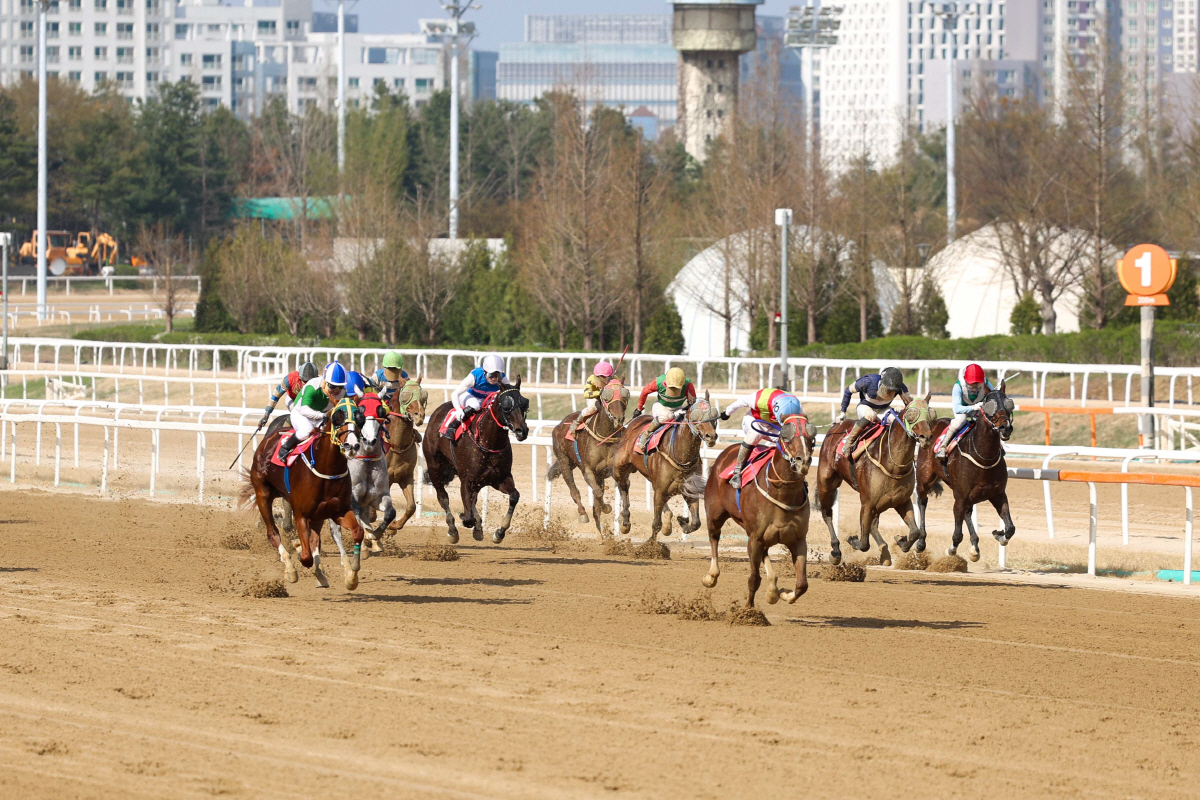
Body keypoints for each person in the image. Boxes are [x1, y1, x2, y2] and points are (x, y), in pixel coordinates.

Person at [837, 367, 912, 490]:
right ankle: (849, 442)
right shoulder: (868, 381)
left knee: (897, 421)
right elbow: (848, 391)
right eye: (888, 389)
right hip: (865, 407)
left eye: (893, 391)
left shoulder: (900, 387)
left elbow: (909, 402)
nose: (889, 393)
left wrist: (903, 409)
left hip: (884, 409)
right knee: (870, 416)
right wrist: (842, 412)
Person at [720, 388, 804, 489]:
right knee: (755, 434)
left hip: (774, 426)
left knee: (791, 439)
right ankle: (737, 472)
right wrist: (727, 413)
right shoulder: (760, 399)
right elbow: (741, 402)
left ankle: (798, 474)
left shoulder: (797, 407)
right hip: (755, 421)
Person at [277, 363, 348, 462]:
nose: (336, 390)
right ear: (325, 381)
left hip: (321, 416)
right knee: (307, 431)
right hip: (300, 414)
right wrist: (322, 415)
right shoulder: (312, 386)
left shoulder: (343, 392)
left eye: (340, 387)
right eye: (332, 386)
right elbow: (304, 409)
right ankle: (285, 448)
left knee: (331, 433)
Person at [936, 363, 994, 462]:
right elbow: (958, 408)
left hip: (978, 409)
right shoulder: (958, 386)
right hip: (962, 410)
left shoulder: (987, 384)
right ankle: (942, 447)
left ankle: (998, 447)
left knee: (988, 420)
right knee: (961, 420)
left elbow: (994, 403)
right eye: (971, 385)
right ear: (965, 380)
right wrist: (974, 407)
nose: (975, 388)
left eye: (978, 385)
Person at [634, 367, 696, 454]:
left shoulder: (688, 385)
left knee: (685, 420)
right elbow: (645, 391)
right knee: (666, 416)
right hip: (661, 406)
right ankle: (645, 435)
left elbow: (693, 403)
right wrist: (639, 408)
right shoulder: (658, 382)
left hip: (678, 407)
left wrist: (689, 406)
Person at [443, 354, 506, 440]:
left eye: (497, 375)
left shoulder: (503, 378)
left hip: (487, 399)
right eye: (491, 375)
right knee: (475, 405)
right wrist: (458, 410)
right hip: (469, 396)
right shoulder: (475, 375)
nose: (494, 379)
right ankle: (453, 426)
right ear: (484, 372)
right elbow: (455, 394)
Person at [259, 361, 318, 428]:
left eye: (310, 381)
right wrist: (266, 415)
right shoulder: (289, 379)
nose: (307, 384)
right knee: (297, 411)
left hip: (309, 401)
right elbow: (276, 395)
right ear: (300, 377)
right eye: (305, 381)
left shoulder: (319, 382)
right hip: (292, 399)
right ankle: (285, 432)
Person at [567, 360, 614, 441]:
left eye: (606, 377)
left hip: (608, 398)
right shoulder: (591, 379)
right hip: (594, 398)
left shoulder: (614, 379)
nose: (604, 379)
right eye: (600, 377)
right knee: (593, 408)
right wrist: (600, 393)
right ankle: (576, 423)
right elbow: (586, 394)